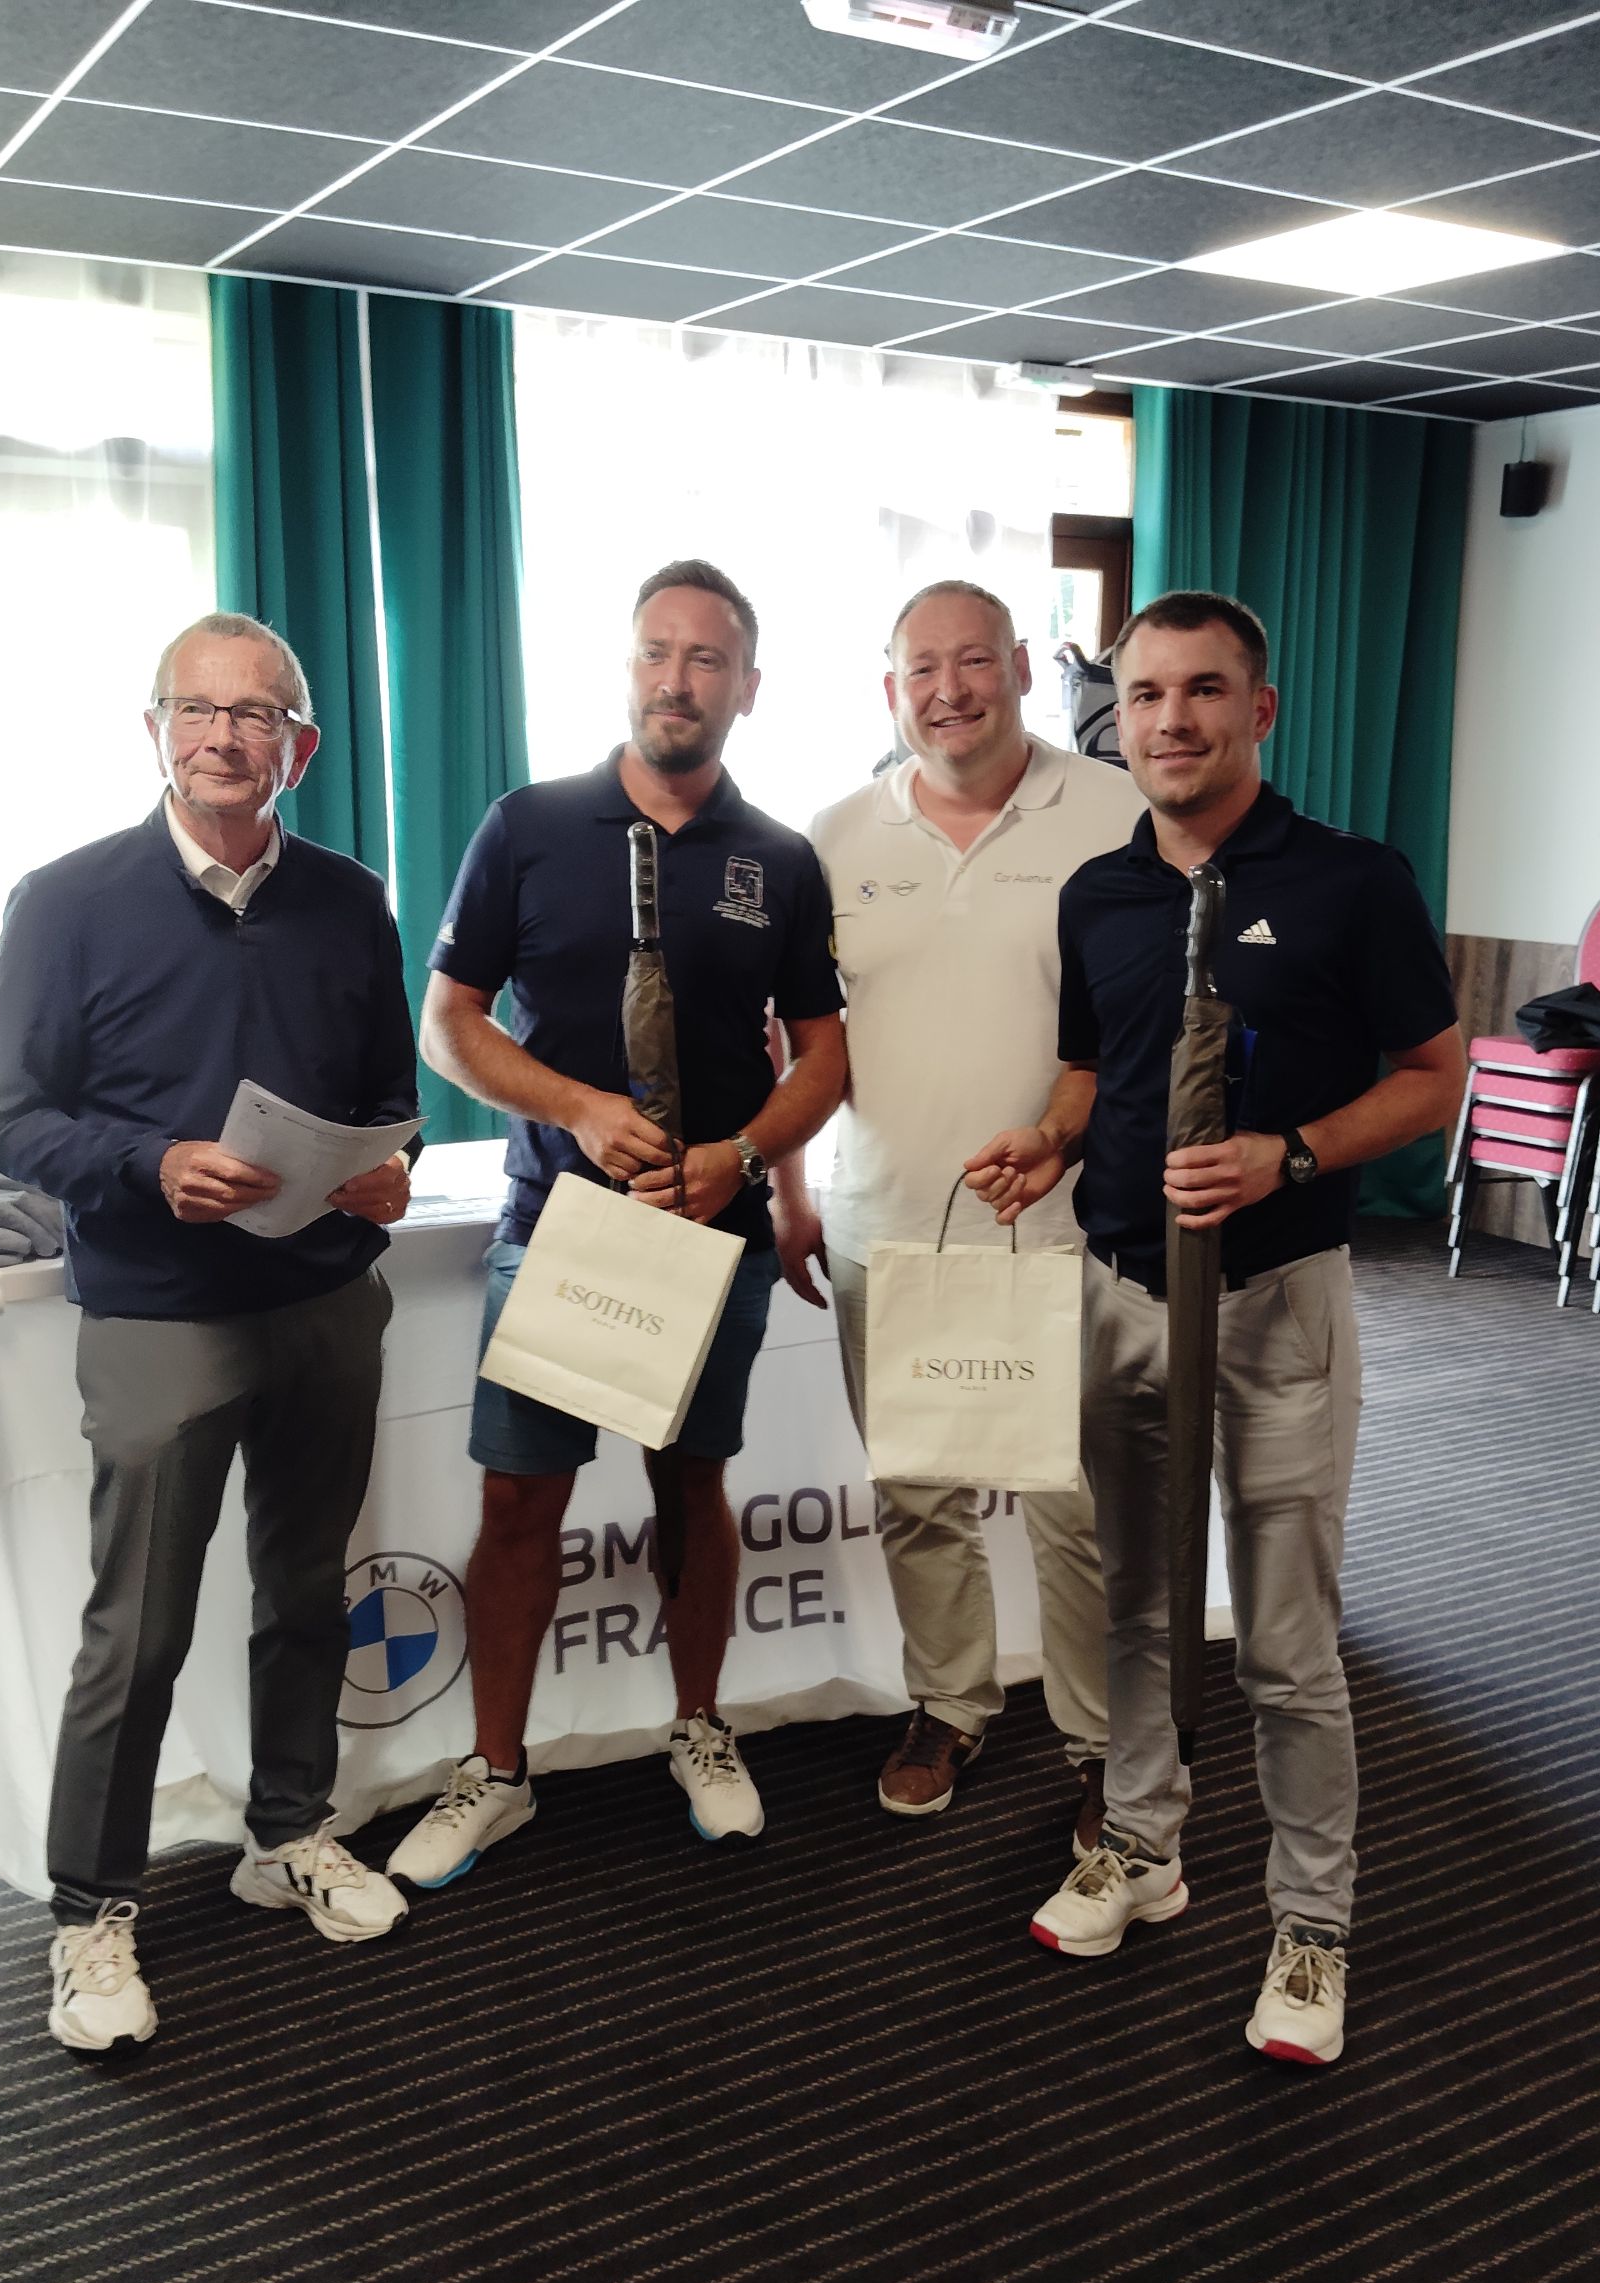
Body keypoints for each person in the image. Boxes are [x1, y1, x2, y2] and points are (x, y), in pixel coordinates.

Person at [966, 589, 1464, 2066]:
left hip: (1277, 1304)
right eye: (1144, 694)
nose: (1169, 720)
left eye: (1201, 690)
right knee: (1137, 1606)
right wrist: (1049, 1141)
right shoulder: (1098, 894)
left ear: (1260, 709)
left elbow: (1434, 1074)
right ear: (1115, 716)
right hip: (1121, 1293)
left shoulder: (1354, 881)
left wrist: (1289, 1154)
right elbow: (1090, 1069)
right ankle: (1141, 1842)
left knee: (1288, 1644)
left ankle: (1311, 1921)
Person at [0, 611, 420, 2055]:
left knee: (305, 1594)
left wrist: (391, 1167)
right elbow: (7, 1121)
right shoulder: (66, 901)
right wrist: (148, 1162)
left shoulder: (351, 898)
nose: (225, 736)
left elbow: (389, 1094)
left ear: (302, 745)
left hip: (325, 1299)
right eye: (199, 709)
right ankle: (90, 1910)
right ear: (156, 728)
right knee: (139, 1628)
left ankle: (288, 1832)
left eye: (257, 714)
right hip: (162, 1312)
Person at [391, 560, 846, 1881]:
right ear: (628, 666)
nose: (676, 679)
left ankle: (699, 1725)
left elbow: (823, 1056)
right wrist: (580, 1109)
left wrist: (744, 1159)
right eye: (657, 651)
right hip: (561, 1227)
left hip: (713, 1233)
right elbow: (449, 1023)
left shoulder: (781, 859)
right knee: (520, 1503)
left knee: (692, 1486)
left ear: (747, 686)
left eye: (707, 659)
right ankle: (497, 1771)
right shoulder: (527, 826)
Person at [773, 580, 1141, 1832]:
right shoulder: (834, 836)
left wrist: (1067, 1135)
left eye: (974, 660)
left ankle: (1103, 1745)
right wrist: (790, 1189)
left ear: (1022, 667)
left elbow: (1141, 1024)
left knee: (1074, 1507)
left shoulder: (1114, 813)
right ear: (891, 690)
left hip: (1061, 1225)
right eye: (921, 669)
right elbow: (797, 1039)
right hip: (886, 1225)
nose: (949, 691)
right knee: (918, 1493)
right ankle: (951, 1703)